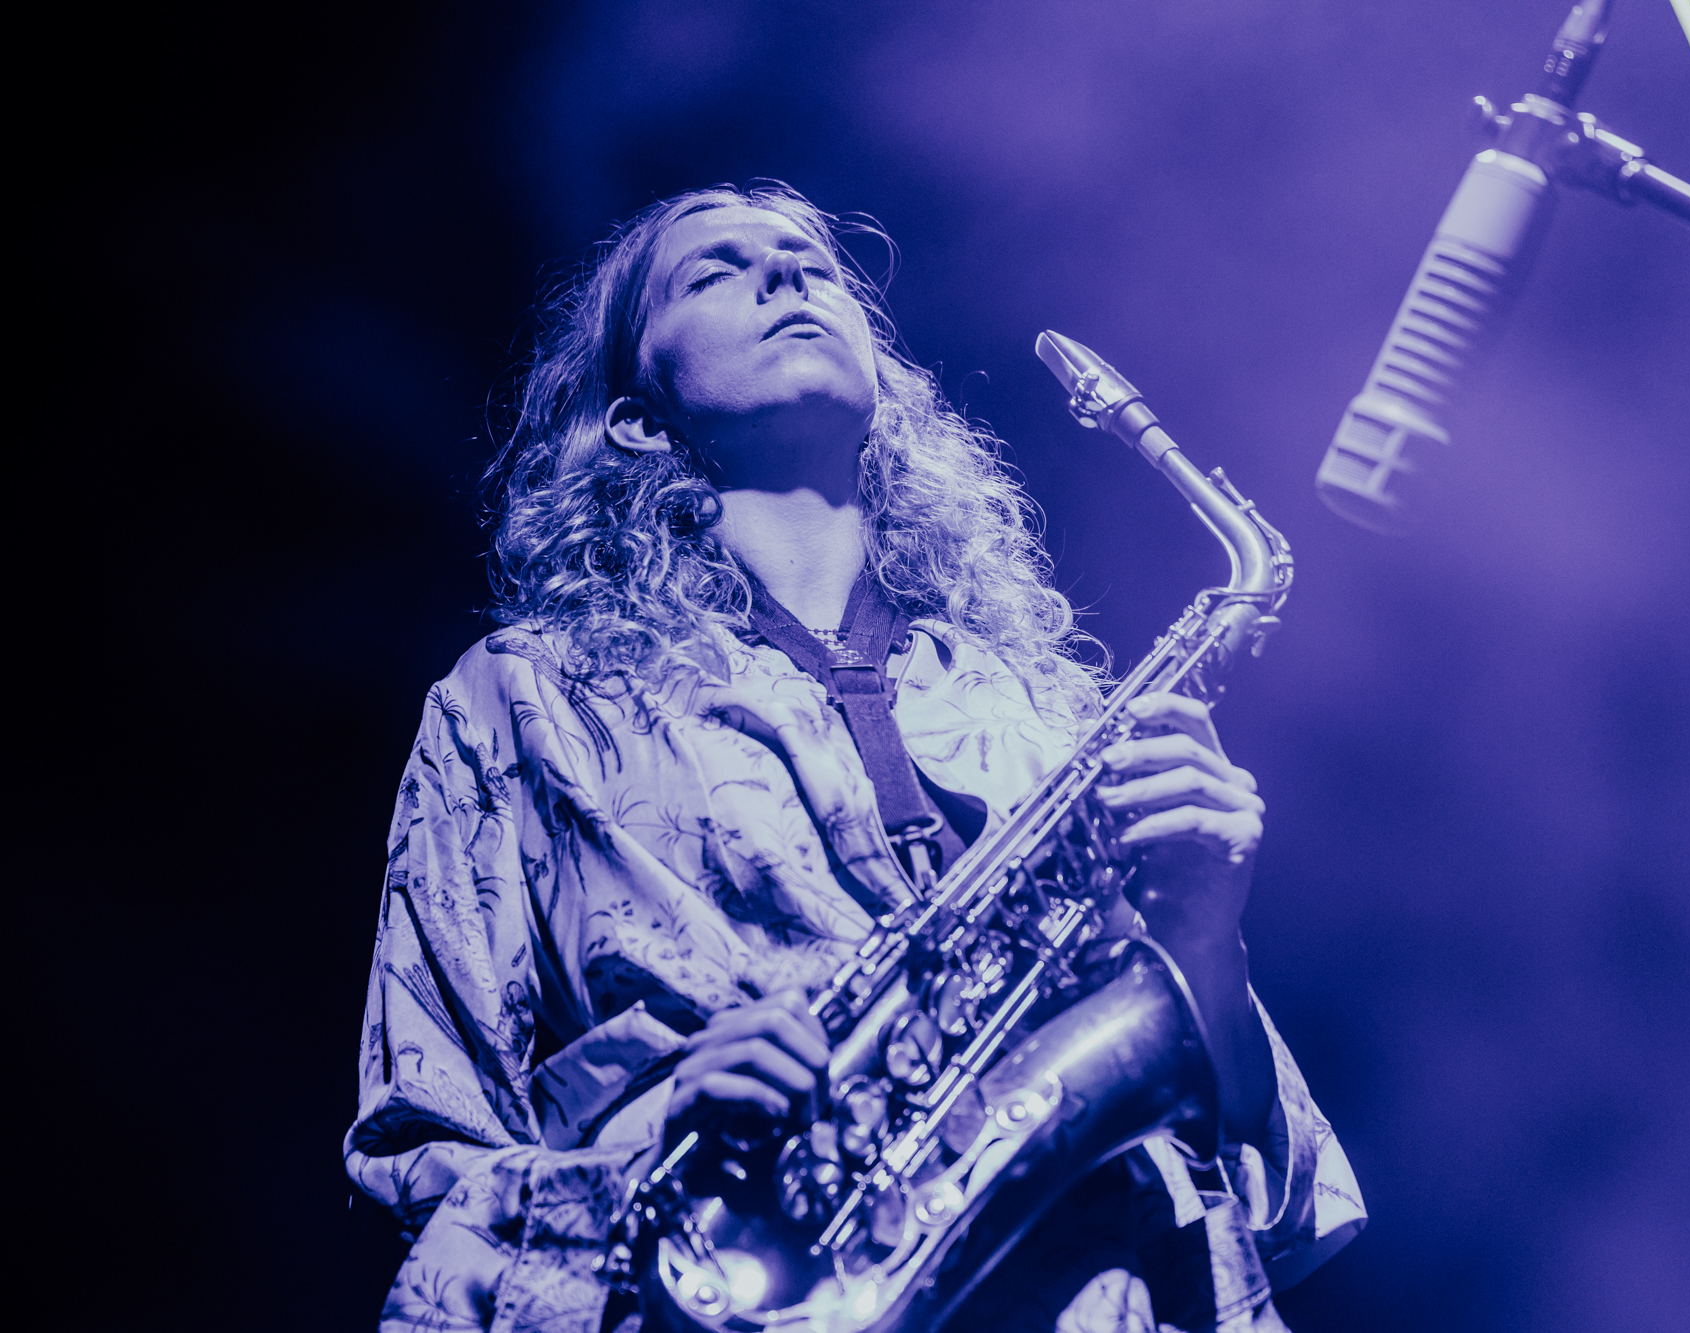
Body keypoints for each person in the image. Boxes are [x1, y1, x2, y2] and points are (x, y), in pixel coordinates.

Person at [346, 181, 1365, 1333]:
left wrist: (1205, 940)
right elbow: (419, 1160)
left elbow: (1276, 1206)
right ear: (635, 419)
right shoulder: (522, 700)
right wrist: (657, 1133)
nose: (786, 274)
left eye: (812, 263)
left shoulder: (1051, 711)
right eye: (714, 270)